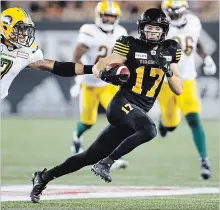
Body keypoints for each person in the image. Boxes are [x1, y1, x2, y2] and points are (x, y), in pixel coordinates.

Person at [30, 8, 183, 203]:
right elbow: (104, 63)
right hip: (122, 104)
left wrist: (168, 70)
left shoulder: (171, 48)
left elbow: (178, 88)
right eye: (149, 28)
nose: (152, 32)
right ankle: (107, 162)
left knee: (87, 157)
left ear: (164, 30)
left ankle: (43, 178)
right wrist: (104, 73)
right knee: (149, 129)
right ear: (141, 28)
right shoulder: (130, 44)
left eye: (157, 29)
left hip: (135, 114)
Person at [158, 0, 216, 180]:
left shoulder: (193, 21)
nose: (175, 15)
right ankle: (165, 123)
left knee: (193, 118)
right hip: (166, 81)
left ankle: (204, 160)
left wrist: (206, 58)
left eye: (177, 12)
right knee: (171, 124)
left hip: (188, 79)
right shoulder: (159, 26)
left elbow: (196, 42)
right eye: (171, 12)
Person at [70, 1, 128, 170]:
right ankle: (76, 136)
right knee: (88, 122)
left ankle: (113, 156)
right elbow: (76, 56)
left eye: (112, 16)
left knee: (120, 119)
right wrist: (80, 77)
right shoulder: (89, 31)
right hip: (89, 83)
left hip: (108, 84)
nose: (109, 19)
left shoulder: (121, 32)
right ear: (99, 16)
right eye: (106, 16)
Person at [0, 7, 93, 102]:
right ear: (6, 26)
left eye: (26, 29)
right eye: (20, 29)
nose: (24, 34)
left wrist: (92, 69)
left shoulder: (26, 52)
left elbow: (59, 67)